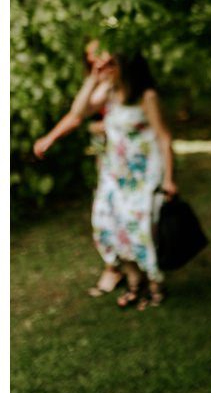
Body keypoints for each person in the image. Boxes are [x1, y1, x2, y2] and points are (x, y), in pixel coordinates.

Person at [35, 52, 177, 309]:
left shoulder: (147, 97)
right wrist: (93, 79)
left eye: (111, 63)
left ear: (127, 66)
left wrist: (169, 178)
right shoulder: (109, 92)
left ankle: (155, 284)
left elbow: (164, 137)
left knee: (141, 229)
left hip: (143, 174)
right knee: (109, 224)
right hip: (114, 173)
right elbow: (78, 112)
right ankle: (135, 282)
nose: (104, 66)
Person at [35, 40, 127, 297]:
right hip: (109, 160)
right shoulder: (100, 83)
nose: (97, 60)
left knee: (124, 215)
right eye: (90, 56)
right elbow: (78, 114)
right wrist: (51, 138)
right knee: (104, 214)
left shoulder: (124, 82)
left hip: (131, 161)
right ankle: (115, 266)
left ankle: (131, 272)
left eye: (100, 53)